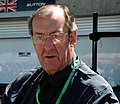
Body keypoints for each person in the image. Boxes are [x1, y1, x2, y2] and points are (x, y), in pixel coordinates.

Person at [3, 4, 119, 104]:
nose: (48, 46)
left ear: (72, 38)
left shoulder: (95, 94)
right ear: (33, 41)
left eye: (56, 36)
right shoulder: (20, 87)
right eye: (40, 37)